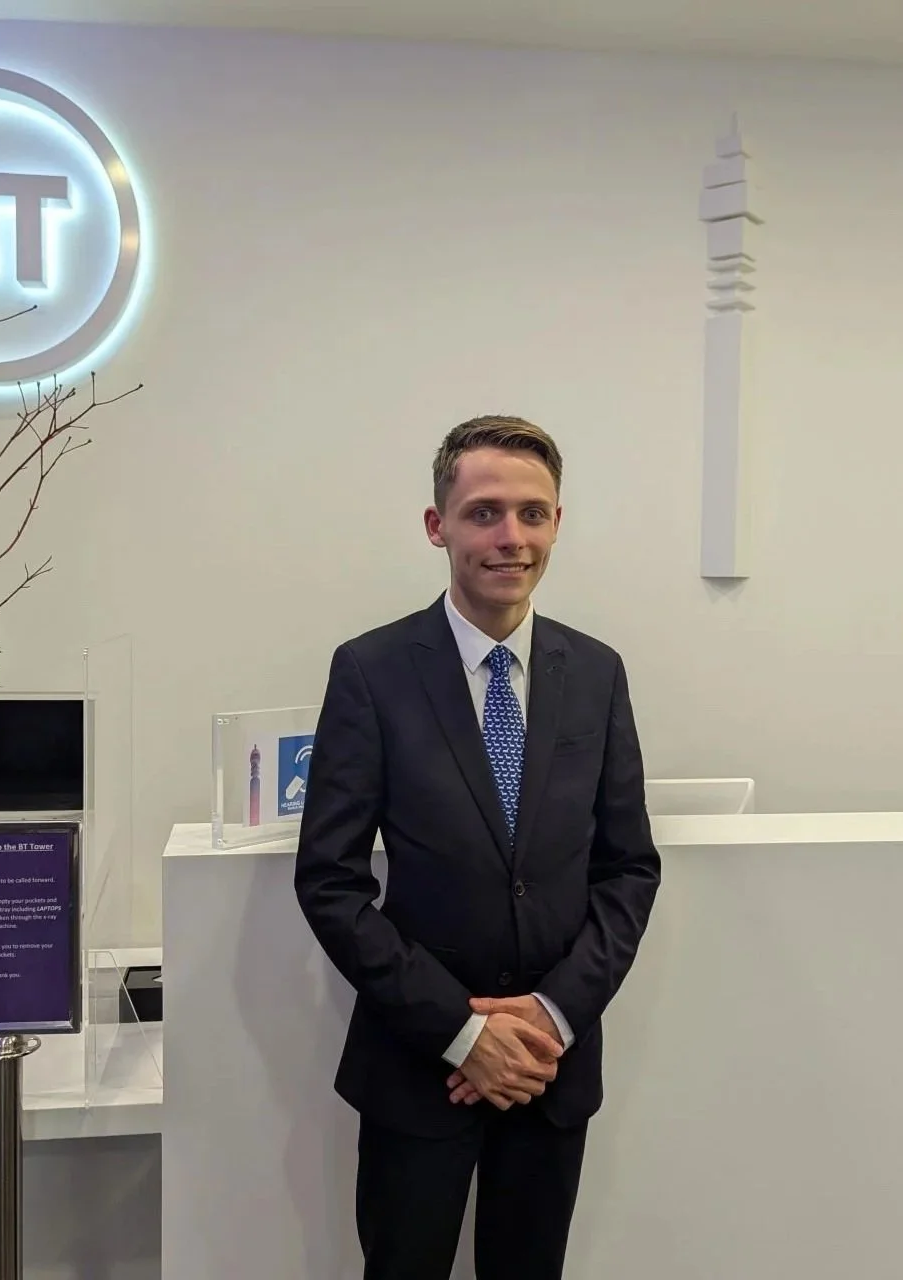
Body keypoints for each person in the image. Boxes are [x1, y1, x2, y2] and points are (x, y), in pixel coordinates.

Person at [293, 415, 661, 1280]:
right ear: (438, 526)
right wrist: (461, 1033)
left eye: (533, 514)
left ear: (558, 523)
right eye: (485, 512)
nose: (511, 537)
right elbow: (331, 882)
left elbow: (629, 868)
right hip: (420, 1067)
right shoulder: (372, 671)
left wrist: (548, 1018)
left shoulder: (597, 674)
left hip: (550, 1069)